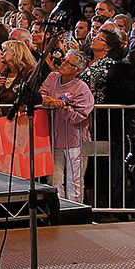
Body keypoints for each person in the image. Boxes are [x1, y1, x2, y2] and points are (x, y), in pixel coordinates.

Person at [39, 49, 94, 204]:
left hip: (74, 140)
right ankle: (58, 209)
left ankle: (74, 210)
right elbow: (42, 94)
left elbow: (80, 115)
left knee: (74, 180)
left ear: (77, 70)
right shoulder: (52, 77)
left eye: (69, 63)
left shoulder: (81, 88)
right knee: (55, 178)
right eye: (65, 60)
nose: (63, 64)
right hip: (54, 138)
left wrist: (63, 107)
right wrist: (48, 100)